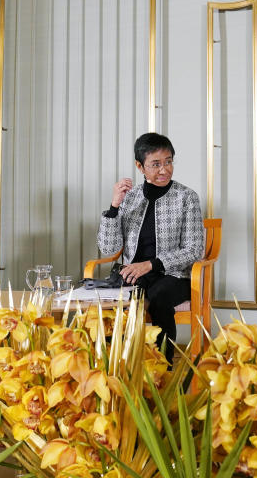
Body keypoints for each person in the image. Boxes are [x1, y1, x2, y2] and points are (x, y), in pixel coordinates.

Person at [98, 132, 205, 360]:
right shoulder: (130, 197)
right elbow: (108, 247)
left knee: (158, 296)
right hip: (135, 275)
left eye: (168, 162)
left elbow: (195, 249)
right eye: (155, 164)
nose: (164, 170)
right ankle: (115, 363)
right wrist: (115, 206)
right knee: (110, 299)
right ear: (140, 166)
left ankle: (161, 368)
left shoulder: (186, 197)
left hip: (175, 277)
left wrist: (150, 264)